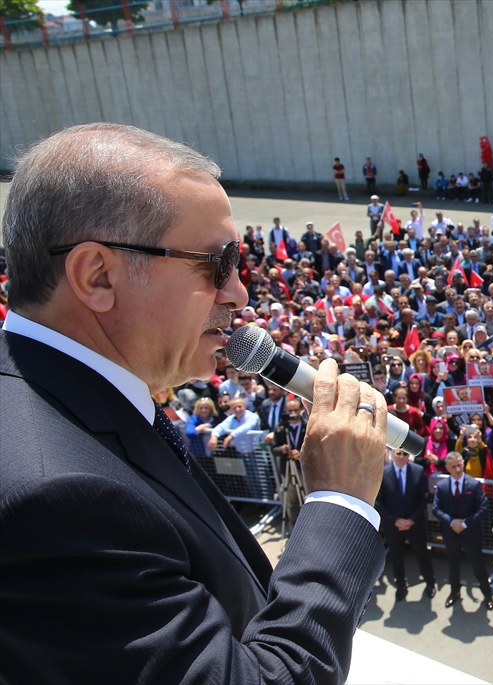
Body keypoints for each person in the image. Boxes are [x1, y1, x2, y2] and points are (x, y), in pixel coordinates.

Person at [0, 123, 389, 681]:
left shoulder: (59, 398)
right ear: (97, 275)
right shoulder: (56, 498)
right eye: (215, 264)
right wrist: (338, 503)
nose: (238, 292)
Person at [432, 452, 493, 610]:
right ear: (447, 468)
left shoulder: (473, 485)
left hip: (470, 533)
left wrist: (465, 524)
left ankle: (487, 594)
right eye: (453, 467)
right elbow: (436, 509)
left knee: (477, 564)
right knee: (453, 564)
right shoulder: (442, 486)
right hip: (451, 532)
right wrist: (452, 522)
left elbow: (484, 508)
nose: (457, 469)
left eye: (459, 465)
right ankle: (455, 592)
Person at [376, 447, 436, 604]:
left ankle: (430, 582)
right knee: (397, 556)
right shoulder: (384, 473)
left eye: (405, 454)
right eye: (398, 453)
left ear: (409, 456)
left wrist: (412, 520)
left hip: (414, 524)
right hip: (393, 525)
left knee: (422, 554)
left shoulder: (417, 471)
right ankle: (401, 585)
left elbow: (424, 498)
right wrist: (395, 520)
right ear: (393, 455)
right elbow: (379, 501)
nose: (401, 457)